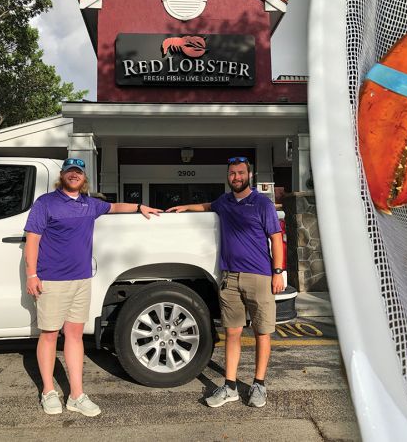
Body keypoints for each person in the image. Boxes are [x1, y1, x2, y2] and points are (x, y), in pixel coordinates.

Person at [24, 158, 162, 416]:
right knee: (50, 334)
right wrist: (32, 274)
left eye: (78, 172)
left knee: (75, 336)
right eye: (70, 172)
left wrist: (140, 206)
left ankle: (76, 395)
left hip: (81, 279)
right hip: (51, 280)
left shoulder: (90, 204)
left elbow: (114, 207)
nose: (74, 176)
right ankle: (48, 391)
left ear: (83, 178)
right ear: (62, 176)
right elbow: (32, 240)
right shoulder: (46, 203)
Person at [167, 156, 285, 408]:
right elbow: (207, 205)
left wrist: (278, 272)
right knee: (232, 333)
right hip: (230, 278)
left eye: (240, 172)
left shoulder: (262, 203)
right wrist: (184, 207)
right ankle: (230, 386)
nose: (236, 177)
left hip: (260, 276)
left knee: (262, 333)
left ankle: (259, 385)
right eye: (232, 173)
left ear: (249, 175)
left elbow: (276, 237)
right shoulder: (225, 201)